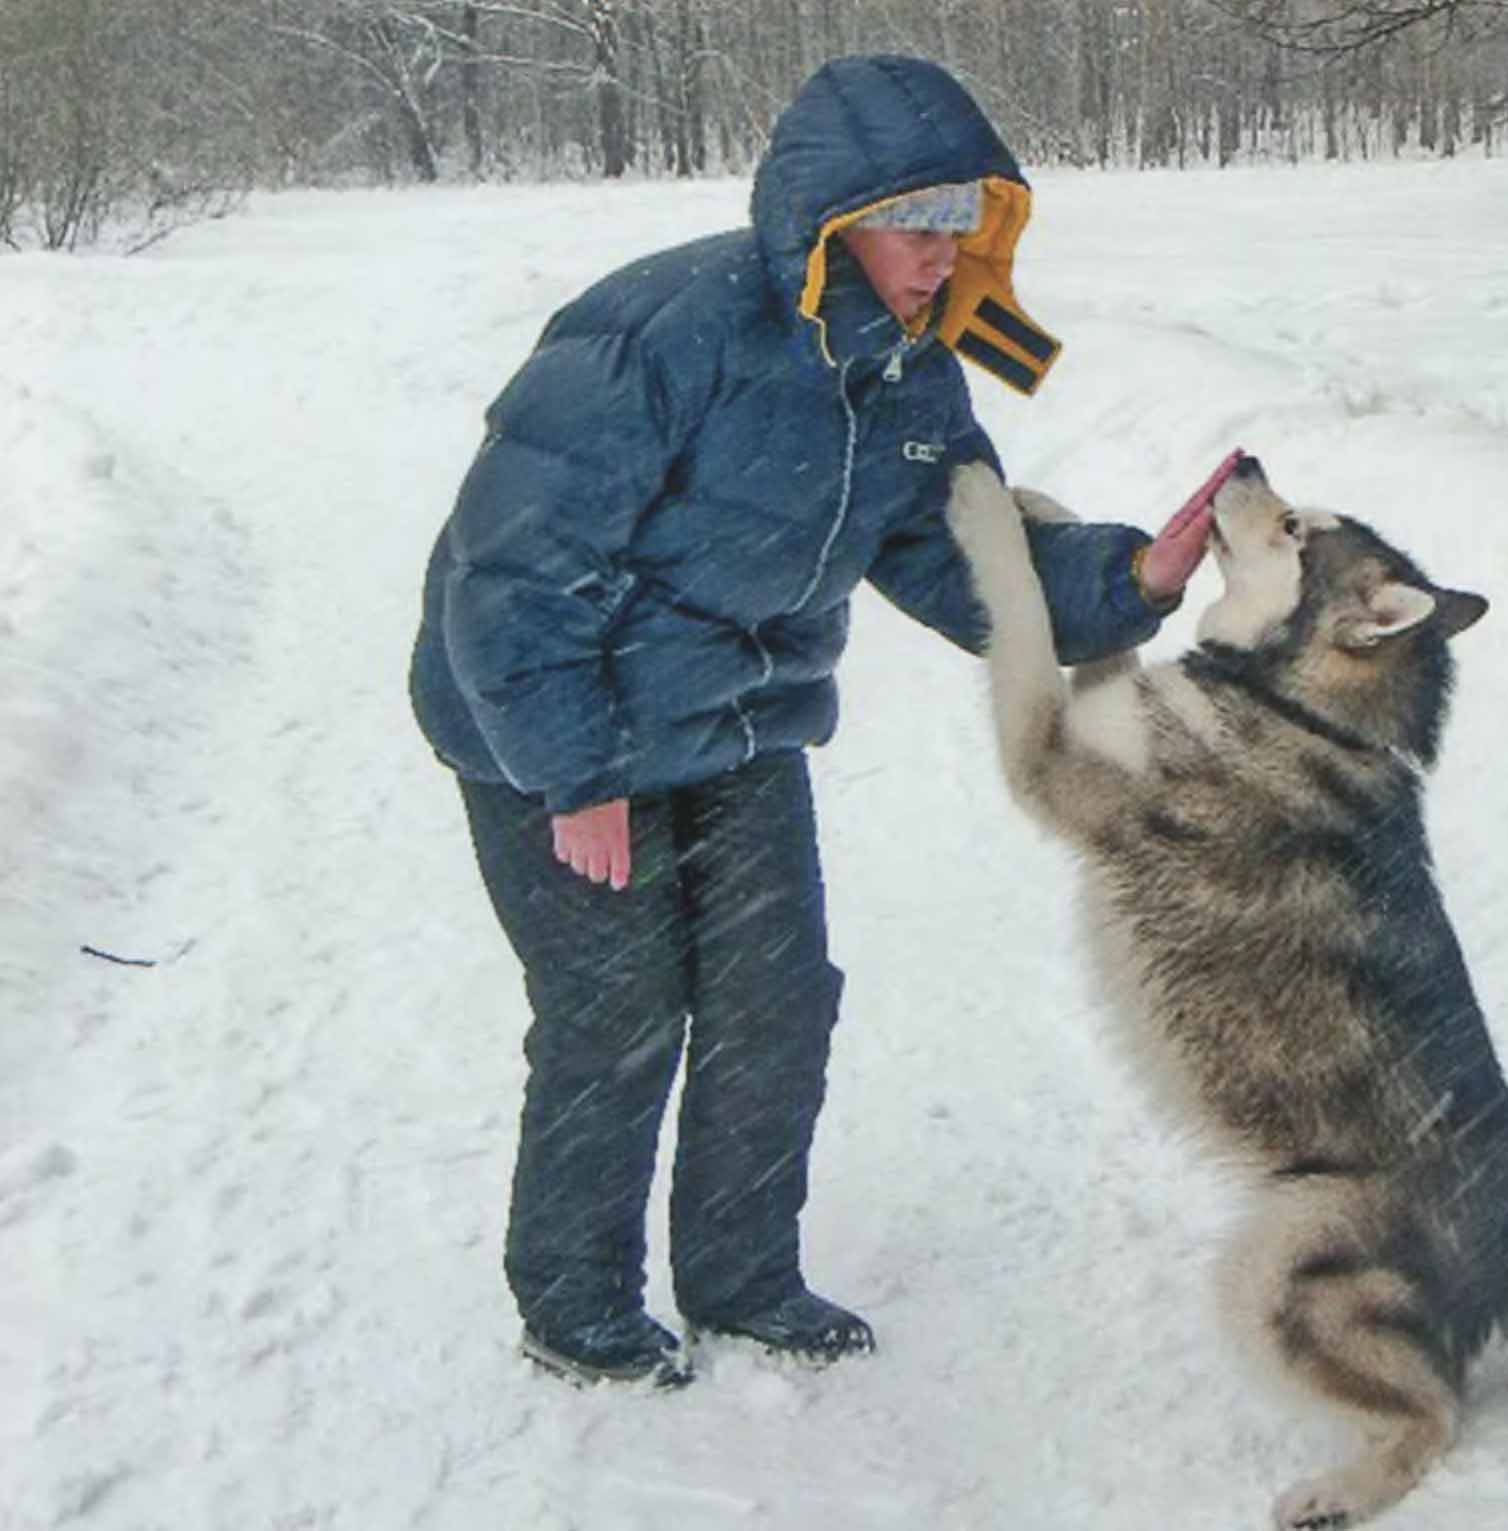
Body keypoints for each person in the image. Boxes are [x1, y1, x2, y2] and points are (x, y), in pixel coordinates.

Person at [407, 54, 1210, 1389]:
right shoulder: (660, 333)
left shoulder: (912, 372)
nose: (938, 259)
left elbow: (966, 555)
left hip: (735, 727)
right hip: (556, 728)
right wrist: (576, 773)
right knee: (617, 1012)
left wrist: (1130, 582)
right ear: (829, 222)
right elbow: (510, 576)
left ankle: (739, 1276)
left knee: (776, 1002)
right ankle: (574, 1304)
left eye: (964, 229)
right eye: (914, 225)